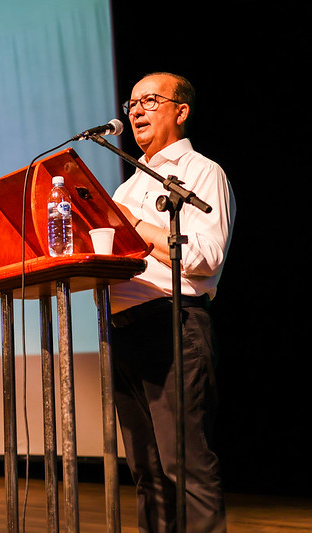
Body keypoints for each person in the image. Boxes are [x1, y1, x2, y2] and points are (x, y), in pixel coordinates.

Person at [109, 72, 235, 532]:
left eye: (149, 101)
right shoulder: (127, 187)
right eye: (132, 103)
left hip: (173, 325)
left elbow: (205, 256)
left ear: (180, 111)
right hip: (122, 330)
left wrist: (135, 226)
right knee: (146, 473)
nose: (136, 111)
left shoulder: (203, 172)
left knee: (186, 466)